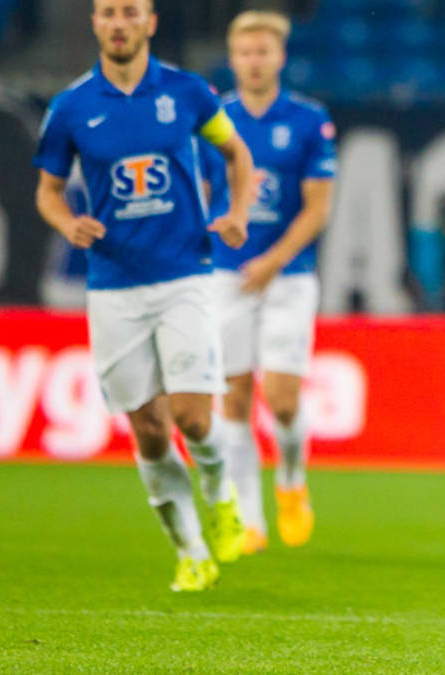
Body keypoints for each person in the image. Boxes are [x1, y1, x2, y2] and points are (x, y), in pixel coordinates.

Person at [33, 0, 256, 591]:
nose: (119, 23)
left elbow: (236, 151)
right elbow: (48, 192)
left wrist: (237, 212)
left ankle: (222, 494)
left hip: (184, 273)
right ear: (95, 23)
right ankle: (190, 550)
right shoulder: (71, 107)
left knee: (192, 417)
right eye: (108, 13)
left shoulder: (188, 93)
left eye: (130, 12)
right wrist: (67, 223)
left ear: (150, 23)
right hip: (113, 286)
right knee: (150, 430)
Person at [203, 10, 336, 552]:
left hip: (288, 276)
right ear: (232, 58)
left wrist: (273, 261)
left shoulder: (308, 120)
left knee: (281, 399)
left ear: (279, 57)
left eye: (262, 52)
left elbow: (317, 208)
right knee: (233, 400)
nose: (253, 61)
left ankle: (291, 480)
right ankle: (250, 520)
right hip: (226, 275)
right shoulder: (213, 121)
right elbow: (200, 195)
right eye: (244, 52)